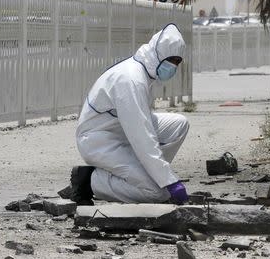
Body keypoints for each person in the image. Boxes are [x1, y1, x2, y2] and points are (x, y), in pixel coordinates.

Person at [72, 24, 189, 206]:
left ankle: (148, 174)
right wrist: (169, 181)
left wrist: (162, 175)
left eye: (177, 62)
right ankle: (89, 181)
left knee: (179, 125)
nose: (173, 67)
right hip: (100, 141)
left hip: (119, 132)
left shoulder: (144, 72)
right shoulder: (131, 79)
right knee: (157, 193)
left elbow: (141, 131)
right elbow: (142, 137)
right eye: (171, 60)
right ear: (158, 54)